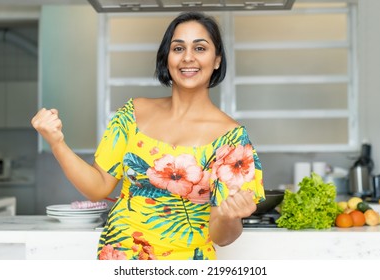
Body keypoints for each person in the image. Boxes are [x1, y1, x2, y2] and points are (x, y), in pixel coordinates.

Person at [31, 11, 265, 260]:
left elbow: (223, 236)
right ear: (166, 58)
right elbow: (98, 186)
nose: (188, 57)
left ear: (217, 60)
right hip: (119, 261)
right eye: (178, 48)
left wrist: (230, 215)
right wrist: (57, 142)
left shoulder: (232, 139)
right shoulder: (132, 113)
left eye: (200, 48)